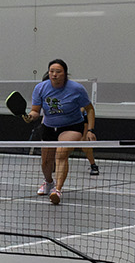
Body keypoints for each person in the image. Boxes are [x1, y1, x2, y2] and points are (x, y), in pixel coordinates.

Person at [25, 59, 95, 205]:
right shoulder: (40, 88)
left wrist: (90, 130)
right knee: (46, 161)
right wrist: (30, 116)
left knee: (61, 153)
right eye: (51, 71)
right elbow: (36, 110)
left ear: (65, 74)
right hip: (49, 126)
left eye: (58, 71)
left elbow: (89, 109)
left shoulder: (76, 89)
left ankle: (57, 190)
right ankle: (48, 182)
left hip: (72, 126)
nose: (54, 74)